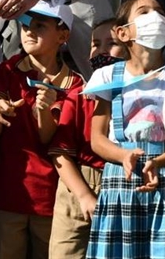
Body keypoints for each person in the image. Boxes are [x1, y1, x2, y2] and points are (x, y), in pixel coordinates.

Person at [85, 0, 165, 259]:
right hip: (119, 182)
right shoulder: (107, 76)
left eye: (159, 12)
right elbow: (97, 138)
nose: (155, 17)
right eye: (144, 12)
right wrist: (123, 155)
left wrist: (160, 161)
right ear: (122, 33)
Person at [0, 0, 83, 259]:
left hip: (51, 198)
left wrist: (45, 111)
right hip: (7, 192)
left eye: (40, 25)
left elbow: (51, 141)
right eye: (25, 24)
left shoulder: (75, 84)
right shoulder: (7, 69)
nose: (28, 31)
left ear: (63, 35)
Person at [47, 22, 109, 259]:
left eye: (112, 43)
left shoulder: (136, 96)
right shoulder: (79, 96)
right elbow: (60, 153)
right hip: (77, 183)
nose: (102, 51)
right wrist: (83, 195)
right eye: (96, 44)